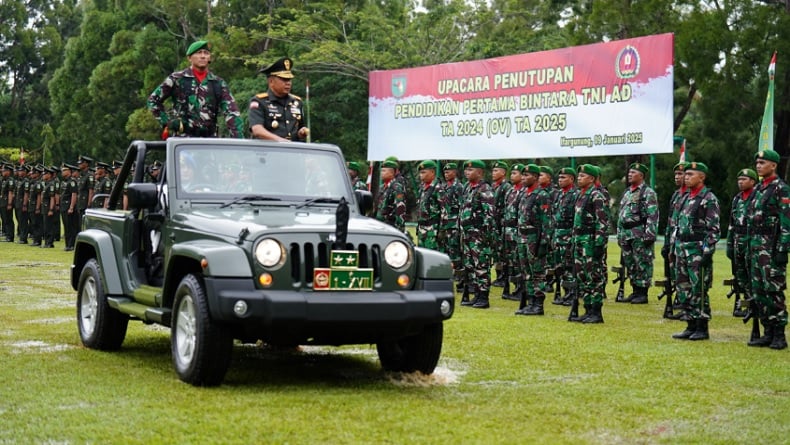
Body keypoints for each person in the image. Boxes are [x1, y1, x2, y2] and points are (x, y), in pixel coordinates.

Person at [147, 40, 244, 138]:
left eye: (206, 53)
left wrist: (239, 141)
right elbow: (153, 100)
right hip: (182, 141)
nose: (203, 56)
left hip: (210, 141)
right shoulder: (177, 79)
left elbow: (232, 112)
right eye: (199, 53)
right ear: (189, 58)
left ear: (209, 57)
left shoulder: (218, 83)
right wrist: (168, 122)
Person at [746, 150, 790, 349]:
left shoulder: (781, 188)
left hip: (771, 248)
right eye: (757, 162)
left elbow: (786, 221)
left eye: (762, 162)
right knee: (759, 291)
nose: (758, 165)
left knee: (774, 290)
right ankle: (767, 330)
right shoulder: (758, 190)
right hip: (755, 247)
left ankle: (779, 333)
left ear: (773, 165)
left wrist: (782, 249)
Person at [672, 162, 719, 341]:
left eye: (691, 174)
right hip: (682, 248)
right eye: (686, 174)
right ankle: (690, 324)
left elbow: (713, 229)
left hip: (697, 249)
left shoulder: (708, 198)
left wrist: (708, 251)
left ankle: (701, 326)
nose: (686, 177)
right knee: (683, 287)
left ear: (702, 177)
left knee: (698, 288)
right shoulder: (684, 197)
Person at [569, 164, 609, 323]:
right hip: (579, 240)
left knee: (594, 276)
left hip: (590, 242)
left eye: (582, 176)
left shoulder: (596, 195)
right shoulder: (581, 195)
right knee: (582, 276)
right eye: (578, 176)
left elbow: (602, 222)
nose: (579, 178)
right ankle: (587, 309)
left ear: (592, 179)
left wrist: (599, 244)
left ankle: (596, 311)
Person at [615, 162, 659, 304]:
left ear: (641, 176)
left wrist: (650, 234)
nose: (630, 175)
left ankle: (643, 292)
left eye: (633, 173)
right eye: (629, 172)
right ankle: (635, 290)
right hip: (626, 233)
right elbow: (621, 214)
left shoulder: (648, 192)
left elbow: (653, 215)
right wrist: (619, 233)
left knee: (642, 262)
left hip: (639, 232)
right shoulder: (627, 192)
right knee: (630, 263)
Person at [515, 164, 551, 316]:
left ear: (535, 177)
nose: (523, 178)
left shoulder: (541, 195)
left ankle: (538, 304)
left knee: (537, 272)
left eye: (526, 175)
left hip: (534, 238)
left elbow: (546, 221)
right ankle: (530, 302)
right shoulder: (524, 194)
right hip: (522, 237)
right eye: (522, 175)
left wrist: (543, 243)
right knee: (526, 272)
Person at [459, 160, 495, 308]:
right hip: (467, 234)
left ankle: (483, 296)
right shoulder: (468, 188)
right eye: (466, 170)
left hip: (479, 235)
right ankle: (476, 294)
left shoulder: (485, 189)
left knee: (481, 265)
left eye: (471, 170)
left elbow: (489, 215)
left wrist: (485, 236)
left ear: (480, 172)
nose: (467, 172)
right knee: (470, 265)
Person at [248, 57, 310, 142]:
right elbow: (257, 130)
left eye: (289, 79)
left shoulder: (297, 102)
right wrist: (280, 141)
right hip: (268, 152)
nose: (288, 83)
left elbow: (299, 129)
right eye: (284, 79)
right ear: (271, 81)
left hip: (293, 151)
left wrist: (301, 133)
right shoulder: (259, 102)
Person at [726, 168, 757, 318]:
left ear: (752, 181)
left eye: (744, 179)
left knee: (753, 274)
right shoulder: (737, 199)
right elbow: (731, 223)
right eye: (739, 179)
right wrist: (730, 243)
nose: (740, 182)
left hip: (751, 240)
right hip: (738, 239)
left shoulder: (757, 198)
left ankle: (754, 304)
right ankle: (745, 301)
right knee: (740, 274)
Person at [661, 162, 689, 318]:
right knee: (675, 272)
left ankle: (687, 303)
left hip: (687, 241)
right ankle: (680, 298)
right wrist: (667, 242)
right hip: (674, 240)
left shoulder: (692, 196)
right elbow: (670, 221)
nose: (678, 177)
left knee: (686, 273)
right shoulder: (676, 194)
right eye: (676, 175)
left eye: (681, 174)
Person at [551, 167, 579, 306]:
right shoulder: (558, 195)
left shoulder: (575, 195)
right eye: (559, 177)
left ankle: (571, 293)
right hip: (558, 234)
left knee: (569, 265)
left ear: (571, 179)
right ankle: (565, 291)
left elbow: (576, 218)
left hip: (568, 235)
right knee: (560, 266)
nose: (560, 180)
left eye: (564, 178)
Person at [438, 162, 464, 295]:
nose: (446, 173)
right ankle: (449, 273)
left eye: (449, 171)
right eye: (445, 172)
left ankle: (460, 278)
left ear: (455, 172)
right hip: (444, 224)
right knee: (446, 250)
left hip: (454, 224)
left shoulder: (459, 187)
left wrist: (459, 225)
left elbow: (461, 206)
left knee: (456, 252)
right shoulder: (443, 187)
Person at [501, 163, 524, 301]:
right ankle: (515, 286)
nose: (512, 175)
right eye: (512, 173)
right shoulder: (510, 191)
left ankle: (521, 288)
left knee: (519, 261)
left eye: (515, 173)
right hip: (508, 230)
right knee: (510, 261)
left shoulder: (524, 192)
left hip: (517, 230)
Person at [490, 161, 512, 288]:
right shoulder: (494, 186)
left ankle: (504, 276)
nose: (493, 173)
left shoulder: (506, 187)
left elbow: (507, 207)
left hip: (501, 224)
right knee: (496, 252)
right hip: (495, 224)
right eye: (493, 171)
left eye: (496, 171)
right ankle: (499, 275)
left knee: (503, 252)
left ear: (503, 173)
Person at [374, 159, 406, 233]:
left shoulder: (396, 187)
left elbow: (400, 209)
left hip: (390, 226)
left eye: (384, 171)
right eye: (381, 171)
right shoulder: (382, 187)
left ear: (392, 173)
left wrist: (399, 229)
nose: (382, 173)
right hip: (379, 225)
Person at [416, 160, 442, 250]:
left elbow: (444, 211)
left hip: (432, 230)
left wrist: (442, 231)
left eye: (423, 172)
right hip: (421, 229)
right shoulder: (422, 188)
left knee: (432, 256)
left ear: (432, 172)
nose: (421, 175)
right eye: (420, 173)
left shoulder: (438, 188)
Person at [61, 164, 79, 251]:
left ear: (69, 171)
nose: (62, 172)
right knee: (66, 226)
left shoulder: (72, 182)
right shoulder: (66, 182)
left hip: (68, 206)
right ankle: (68, 244)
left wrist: (71, 207)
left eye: (64, 170)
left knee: (70, 227)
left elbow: (74, 194)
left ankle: (71, 245)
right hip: (64, 206)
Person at [13, 165, 30, 244]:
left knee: (23, 221)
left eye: (21, 171)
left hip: (22, 203)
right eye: (19, 171)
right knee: (19, 220)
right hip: (17, 203)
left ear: (25, 172)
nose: (19, 172)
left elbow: (26, 194)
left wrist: (24, 205)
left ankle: (23, 238)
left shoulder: (26, 181)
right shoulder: (19, 181)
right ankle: (21, 236)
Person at [1, 163, 16, 242]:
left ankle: (10, 236)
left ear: (8, 171)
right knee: (5, 220)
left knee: (8, 220)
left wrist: (10, 203)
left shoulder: (10, 181)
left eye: (4, 170)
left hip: (7, 203)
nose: (2, 172)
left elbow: (10, 193)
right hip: (3, 202)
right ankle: (7, 235)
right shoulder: (4, 180)